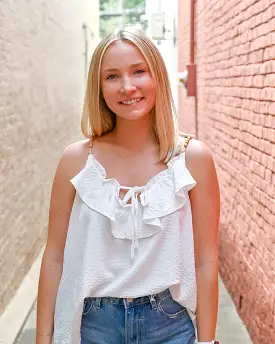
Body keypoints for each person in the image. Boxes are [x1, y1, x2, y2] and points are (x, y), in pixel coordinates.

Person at [36, 26, 220, 344]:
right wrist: (43, 338)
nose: (127, 86)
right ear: (99, 87)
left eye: (138, 71)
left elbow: (205, 258)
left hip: (171, 326)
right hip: (93, 326)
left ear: (158, 76)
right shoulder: (76, 161)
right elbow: (54, 255)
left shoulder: (193, 159)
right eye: (112, 76)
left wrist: (207, 340)